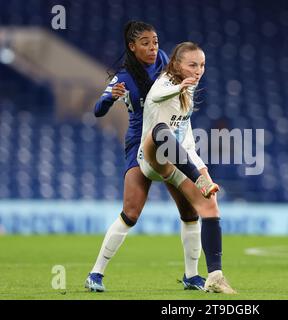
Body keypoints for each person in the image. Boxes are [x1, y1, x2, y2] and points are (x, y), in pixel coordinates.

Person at [85, 21, 206, 292]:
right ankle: (95, 274)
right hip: (141, 143)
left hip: (171, 139)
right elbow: (97, 110)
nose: (153, 48)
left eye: (155, 42)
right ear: (132, 47)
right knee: (131, 212)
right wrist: (109, 99)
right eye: (145, 44)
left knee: (190, 212)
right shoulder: (123, 79)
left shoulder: (164, 60)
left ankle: (192, 276)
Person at [137, 42, 236, 294]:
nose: (198, 70)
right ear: (177, 64)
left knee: (210, 204)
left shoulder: (188, 88)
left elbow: (185, 132)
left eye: (202, 65)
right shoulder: (165, 82)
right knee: (161, 131)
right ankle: (196, 178)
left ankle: (215, 275)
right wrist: (178, 88)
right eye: (193, 65)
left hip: (178, 157)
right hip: (151, 156)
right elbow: (155, 96)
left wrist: (199, 165)